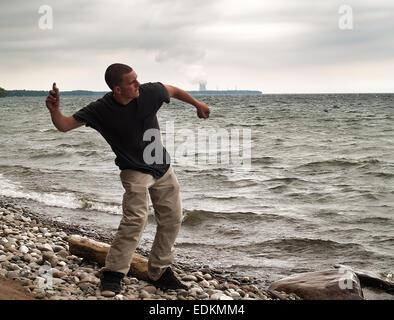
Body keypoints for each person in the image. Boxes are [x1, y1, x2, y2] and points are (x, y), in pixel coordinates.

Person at [45, 63, 210, 297]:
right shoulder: (100, 109)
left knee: (172, 218)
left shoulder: (149, 93)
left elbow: (172, 89)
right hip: (134, 170)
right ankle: (113, 274)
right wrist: (54, 111)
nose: (138, 84)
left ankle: (160, 271)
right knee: (135, 219)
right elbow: (65, 125)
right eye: (132, 82)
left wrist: (197, 104)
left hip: (162, 166)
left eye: (137, 79)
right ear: (117, 89)